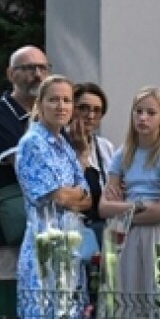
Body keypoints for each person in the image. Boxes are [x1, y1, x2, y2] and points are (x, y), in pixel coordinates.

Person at [0, 45, 48, 319]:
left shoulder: (51, 116)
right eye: (28, 68)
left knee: (40, 309)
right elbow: (27, 166)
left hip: (43, 232)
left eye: (43, 68)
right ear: (10, 74)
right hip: (8, 234)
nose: (37, 74)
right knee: (4, 311)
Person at [101, 86, 160, 319]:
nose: (143, 118)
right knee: (129, 299)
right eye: (138, 112)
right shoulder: (123, 153)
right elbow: (104, 207)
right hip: (127, 236)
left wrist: (125, 212)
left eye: (151, 112)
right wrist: (141, 205)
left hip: (159, 235)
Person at [16, 75, 92, 319]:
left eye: (67, 100)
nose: (61, 106)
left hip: (69, 245)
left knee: (67, 317)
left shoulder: (65, 145)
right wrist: (73, 195)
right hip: (43, 245)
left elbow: (88, 197)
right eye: (54, 100)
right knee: (43, 317)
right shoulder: (32, 143)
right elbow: (57, 196)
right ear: (40, 104)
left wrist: (73, 196)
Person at [70, 82, 116, 240]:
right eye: (83, 108)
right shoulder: (58, 145)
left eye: (97, 111)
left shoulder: (105, 147)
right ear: (72, 108)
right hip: (70, 232)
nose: (90, 116)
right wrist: (81, 154)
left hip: (102, 230)